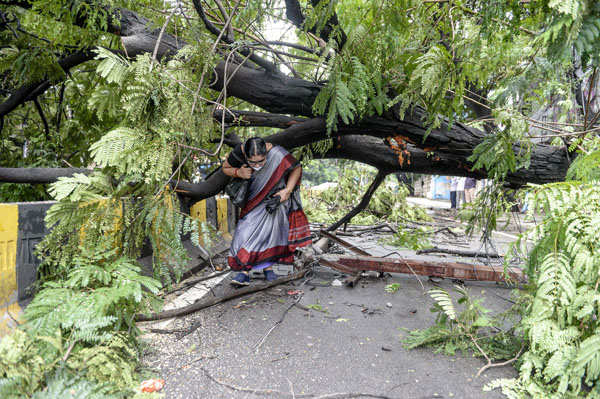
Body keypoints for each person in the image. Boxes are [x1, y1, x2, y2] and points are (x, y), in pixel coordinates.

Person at [222, 137, 312, 286]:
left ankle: (264, 269)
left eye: (261, 161)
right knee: (245, 233)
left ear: (266, 153)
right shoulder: (239, 152)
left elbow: (296, 168)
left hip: (275, 200)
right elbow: (225, 168)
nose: (257, 165)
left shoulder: (277, 153)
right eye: (253, 162)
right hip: (252, 200)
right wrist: (239, 172)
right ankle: (245, 270)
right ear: (246, 156)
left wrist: (287, 191)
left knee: (270, 235)